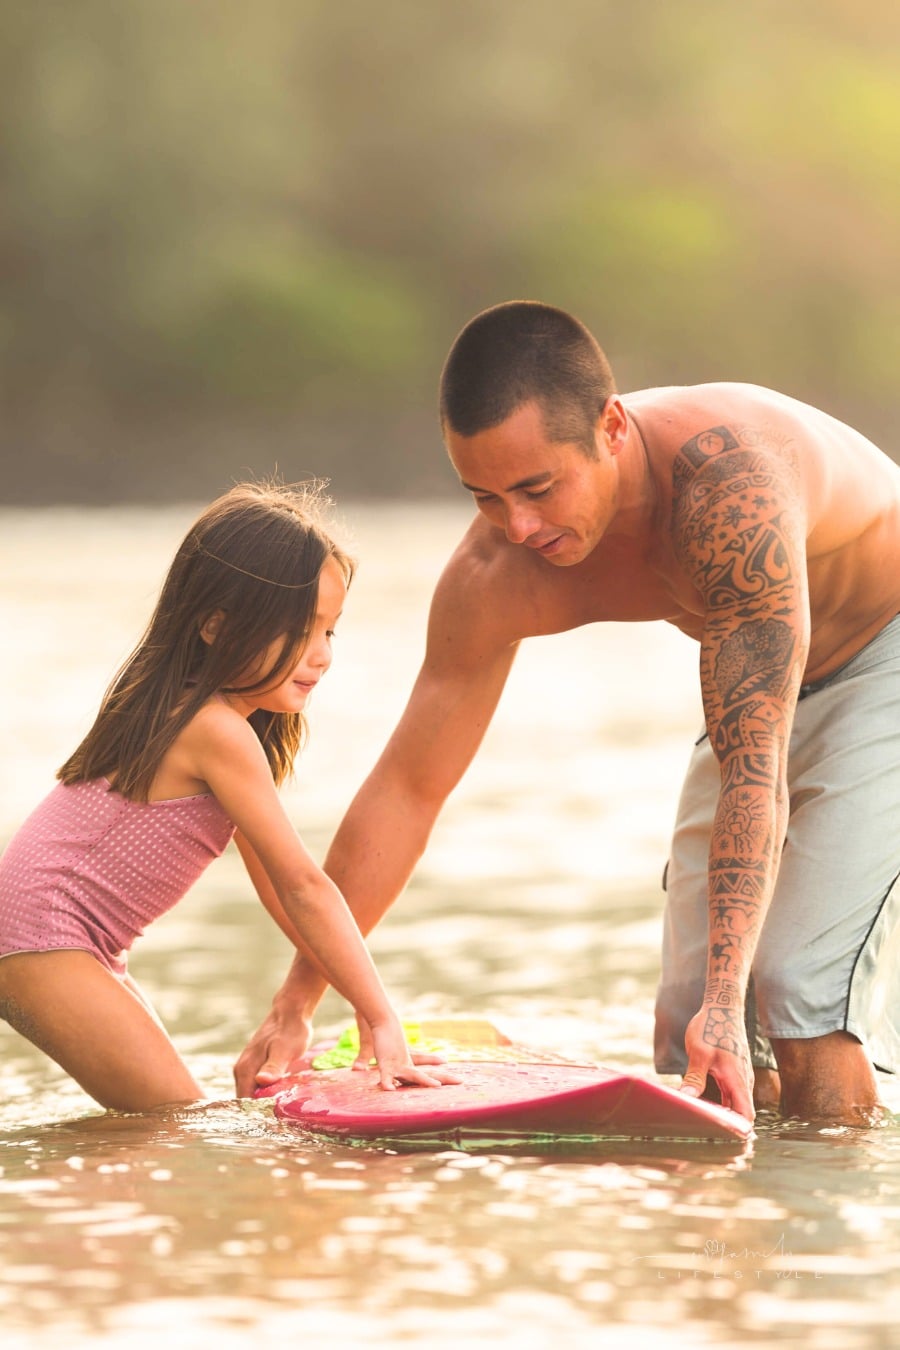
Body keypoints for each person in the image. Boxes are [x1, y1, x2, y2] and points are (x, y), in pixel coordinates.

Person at [234, 302, 900, 1126]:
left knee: (791, 988)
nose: (519, 526)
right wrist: (298, 1000)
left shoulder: (729, 495)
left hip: (884, 648)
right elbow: (408, 788)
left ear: (612, 429)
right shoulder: (493, 575)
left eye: (538, 488)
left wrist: (732, 1003)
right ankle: (746, 1238)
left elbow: (753, 775)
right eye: (484, 497)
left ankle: (835, 1232)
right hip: (758, 679)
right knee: (687, 1031)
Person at [0, 480, 457, 1113]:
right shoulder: (215, 730)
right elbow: (305, 886)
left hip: (58, 942)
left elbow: (281, 890)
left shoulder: (203, 718)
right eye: (301, 630)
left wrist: (299, 1011)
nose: (322, 656)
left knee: (175, 1122)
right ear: (216, 625)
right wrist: (380, 1019)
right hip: (47, 940)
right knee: (179, 1128)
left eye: (331, 630)